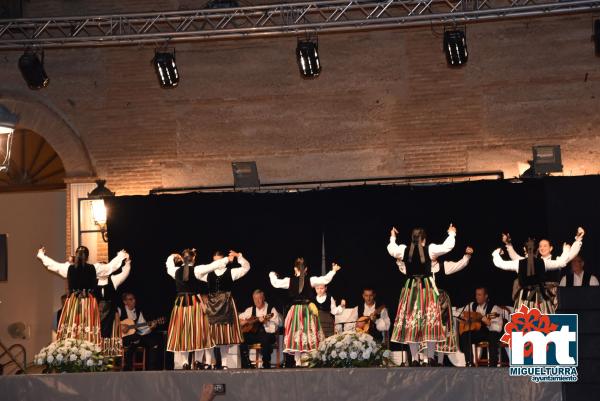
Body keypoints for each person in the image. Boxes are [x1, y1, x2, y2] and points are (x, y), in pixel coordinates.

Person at [387, 224, 456, 366]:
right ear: (424, 239)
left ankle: (414, 359)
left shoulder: (403, 250)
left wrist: (393, 237)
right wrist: (451, 233)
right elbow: (447, 247)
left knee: (412, 322)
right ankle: (430, 357)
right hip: (426, 288)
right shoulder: (429, 249)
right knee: (430, 322)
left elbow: (391, 249)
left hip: (411, 289)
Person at [37, 246, 128, 344]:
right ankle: (89, 346)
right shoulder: (94, 268)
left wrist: (42, 255)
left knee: (74, 326)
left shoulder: (69, 268)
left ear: (76, 256)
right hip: (88, 303)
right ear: (88, 257)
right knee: (89, 327)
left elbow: (52, 265)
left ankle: (73, 347)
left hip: (74, 302)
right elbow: (110, 267)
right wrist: (121, 256)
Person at [165, 249, 235, 369]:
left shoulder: (175, 271)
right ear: (194, 259)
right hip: (193, 303)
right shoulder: (196, 270)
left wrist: (172, 256)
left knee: (183, 332)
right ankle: (197, 361)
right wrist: (227, 259)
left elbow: (169, 265)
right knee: (198, 331)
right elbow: (213, 265)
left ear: (183, 258)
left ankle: (185, 362)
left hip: (180, 304)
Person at [492, 227, 584, 314]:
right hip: (541, 298)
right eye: (541, 246)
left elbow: (501, 263)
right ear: (537, 250)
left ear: (525, 249)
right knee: (542, 321)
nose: (542, 248)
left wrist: (496, 253)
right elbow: (562, 262)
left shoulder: (522, 263)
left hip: (537, 297)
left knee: (528, 322)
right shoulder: (542, 263)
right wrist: (566, 251)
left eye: (545, 246)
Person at [269, 259, 341, 366]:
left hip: (296, 310)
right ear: (306, 269)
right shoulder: (310, 280)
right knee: (306, 334)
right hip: (306, 310)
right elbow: (325, 279)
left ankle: (298, 361)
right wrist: (333, 270)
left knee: (297, 335)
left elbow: (275, 283)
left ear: (295, 269)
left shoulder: (290, 281)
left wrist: (272, 274)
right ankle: (305, 361)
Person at [198, 250, 250, 369]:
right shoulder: (208, 274)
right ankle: (209, 362)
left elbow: (246, 267)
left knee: (224, 335)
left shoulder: (231, 272)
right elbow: (197, 273)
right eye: (214, 261)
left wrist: (239, 256)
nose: (215, 263)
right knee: (210, 335)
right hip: (212, 306)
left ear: (224, 261)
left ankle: (225, 364)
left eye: (218, 261)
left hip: (226, 305)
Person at [430, 246, 473, 365]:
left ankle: (439, 361)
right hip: (428, 302)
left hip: (442, 302)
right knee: (428, 330)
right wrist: (399, 262)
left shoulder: (444, 266)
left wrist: (466, 256)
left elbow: (458, 265)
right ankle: (427, 359)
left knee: (442, 330)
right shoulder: (423, 268)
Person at [457, 287, 504, 367]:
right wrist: (464, 317)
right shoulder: (472, 305)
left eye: (479, 295)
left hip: (491, 332)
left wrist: (488, 323)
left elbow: (498, 328)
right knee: (465, 335)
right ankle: (469, 363)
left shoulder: (494, 308)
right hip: (480, 332)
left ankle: (493, 365)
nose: (477, 297)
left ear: (486, 296)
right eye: (476, 294)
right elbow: (458, 312)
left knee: (493, 335)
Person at [119, 292, 163, 370]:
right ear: (125, 302)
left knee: (154, 342)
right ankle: (127, 367)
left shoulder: (138, 312)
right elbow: (113, 322)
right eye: (130, 299)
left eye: (134, 299)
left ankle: (151, 369)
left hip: (136, 337)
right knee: (135, 338)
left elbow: (143, 329)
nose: (134, 301)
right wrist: (120, 326)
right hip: (122, 337)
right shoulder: (120, 310)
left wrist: (151, 327)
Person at [239, 289, 281, 369]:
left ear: (263, 298)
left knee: (266, 339)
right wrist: (244, 322)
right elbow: (239, 319)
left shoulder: (271, 309)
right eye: (255, 299)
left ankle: (266, 364)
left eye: (259, 298)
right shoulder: (250, 310)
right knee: (242, 338)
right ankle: (246, 363)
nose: (257, 301)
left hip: (267, 334)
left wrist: (266, 322)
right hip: (254, 335)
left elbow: (279, 323)